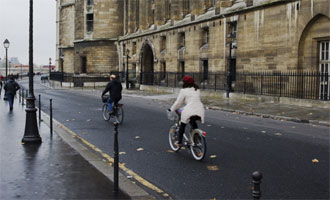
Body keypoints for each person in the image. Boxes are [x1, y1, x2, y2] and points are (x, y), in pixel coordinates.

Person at [169, 75, 205, 147]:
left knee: (182, 125)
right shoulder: (197, 90)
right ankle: (196, 137)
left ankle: (179, 142)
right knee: (193, 121)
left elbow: (178, 103)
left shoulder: (183, 91)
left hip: (190, 109)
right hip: (200, 109)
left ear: (184, 83)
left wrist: (171, 109)